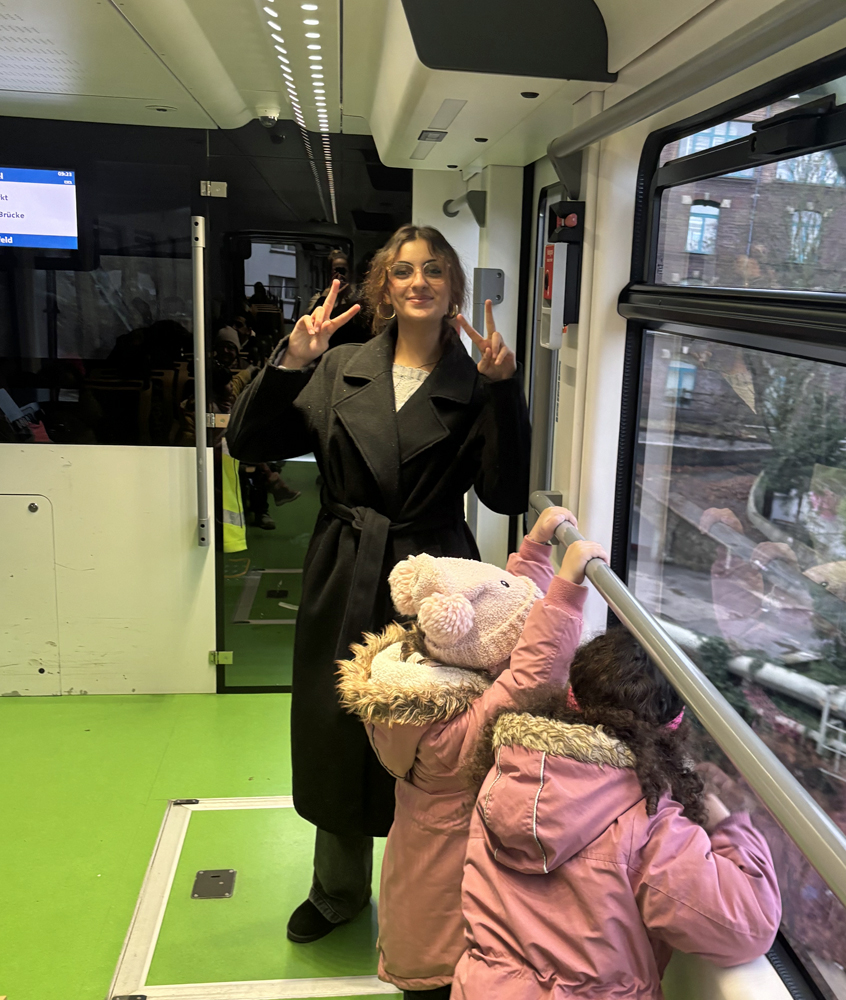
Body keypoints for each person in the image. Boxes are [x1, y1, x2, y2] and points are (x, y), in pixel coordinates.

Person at [225, 224, 531, 945]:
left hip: (435, 578)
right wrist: (292, 361)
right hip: (345, 561)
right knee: (338, 722)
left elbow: (506, 494)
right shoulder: (339, 367)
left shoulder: (475, 381)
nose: (419, 281)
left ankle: (432, 898)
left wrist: (504, 392)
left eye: (434, 270)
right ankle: (336, 889)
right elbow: (248, 442)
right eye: (403, 271)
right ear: (385, 289)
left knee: (432, 730)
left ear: (454, 289)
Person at [338, 508, 600, 999]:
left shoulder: (419, 679)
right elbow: (529, 675)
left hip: (418, 884)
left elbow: (503, 608)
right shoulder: (453, 736)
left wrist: (535, 549)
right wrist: (565, 594)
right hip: (446, 928)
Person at [453, 626, 782, 999]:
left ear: (572, 696)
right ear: (671, 729)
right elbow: (749, 928)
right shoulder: (648, 824)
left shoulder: (504, 774)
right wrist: (729, 826)